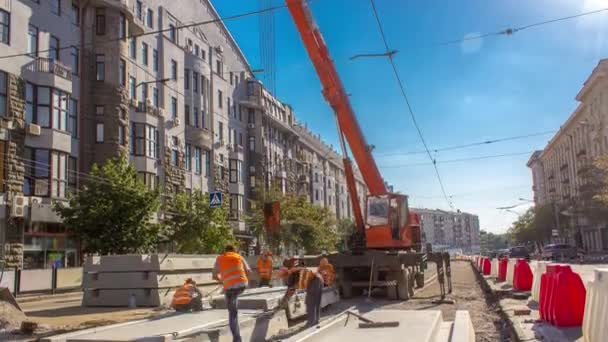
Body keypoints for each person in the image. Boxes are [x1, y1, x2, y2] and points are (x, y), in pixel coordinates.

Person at [213, 245, 251, 342]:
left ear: (225, 251)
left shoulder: (220, 258)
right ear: (234, 250)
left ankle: (237, 339)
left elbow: (214, 275)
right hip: (242, 285)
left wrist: (223, 280)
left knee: (232, 314)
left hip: (229, 288)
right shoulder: (239, 256)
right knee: (234, 298)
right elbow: (249, 271)